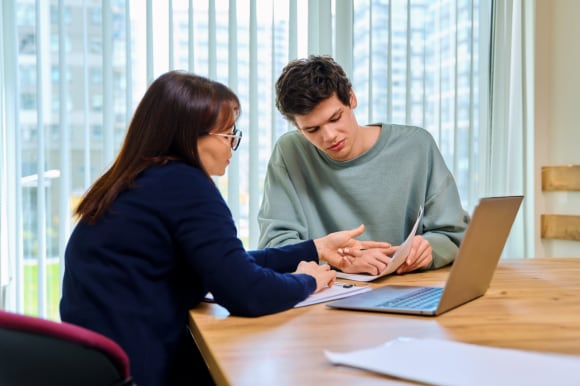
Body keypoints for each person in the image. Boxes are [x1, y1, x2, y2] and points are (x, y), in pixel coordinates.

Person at [59, 70, 389, 386]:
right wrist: (308, 281)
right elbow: (245, 292)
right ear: (189, 136)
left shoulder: (139, 180)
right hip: (143, 371)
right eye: (228, 133)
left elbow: (227, 263)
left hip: (106, 367)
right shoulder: (183, 184)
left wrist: (315, 249)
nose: (233, 144)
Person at [258, 55, 470, 273]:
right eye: (312, 130)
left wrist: (428, 249)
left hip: (407, 288)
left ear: (351, 98)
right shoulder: (290, 152)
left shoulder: (417, 146)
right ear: (298, 128)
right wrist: (338, 261)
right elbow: (275, 246)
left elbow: (453, 233)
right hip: (330, 295)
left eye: (335, 118)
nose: (329, 136)